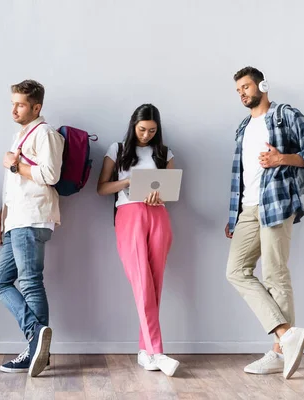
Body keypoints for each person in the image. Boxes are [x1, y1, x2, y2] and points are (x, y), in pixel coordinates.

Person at [225, 67, 304, 379]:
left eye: (246, 86)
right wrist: (234, 216)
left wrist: (281, 158)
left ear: (262, 85)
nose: (242, 93)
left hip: (276, 203)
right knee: (236, 271)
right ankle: (286, 334)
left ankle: (279, 352)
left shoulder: (285, 115)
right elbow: (240, 176)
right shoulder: (243, 127)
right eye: (238, 90)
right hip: (248, 209)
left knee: (274, 274)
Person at [97, 103, 180, 377]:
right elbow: (101, 188)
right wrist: (128, 182)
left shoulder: (165, 153)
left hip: (159, 215)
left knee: (155, 283)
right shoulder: (118, 150)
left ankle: (145, 352)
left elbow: (170, 190)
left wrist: (158, 194)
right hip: (128, 214)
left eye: (152, 130)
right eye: (142, 129)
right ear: (134, 125)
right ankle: (157, 351)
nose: (146, 135)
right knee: (142, 281)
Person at [0, 80, 65, 377]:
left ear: (37, 107)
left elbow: (50, 174)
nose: (14, 109)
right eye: (13, 103)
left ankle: (35, 347)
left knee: (31, 282)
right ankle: (37, 341)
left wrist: (13, 165)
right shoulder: (19, 135)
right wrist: (0, 219)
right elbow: (13, 189)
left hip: (33, 217)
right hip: (16, 219)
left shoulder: (46, 134)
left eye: (20, 104)